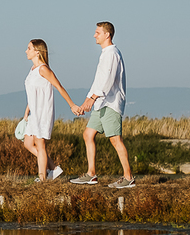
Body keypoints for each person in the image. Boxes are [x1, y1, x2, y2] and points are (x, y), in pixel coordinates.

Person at [70, 21, 134, 188]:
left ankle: (128, 178)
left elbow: (108, 81)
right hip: (100, 104)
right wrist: (87, 101)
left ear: (107, 35)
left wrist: (93, 98)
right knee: (88, 134)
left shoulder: (112, 53)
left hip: (111, 103)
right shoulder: (105, 54)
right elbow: (98, 81)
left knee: (115, 140)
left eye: (97, 32)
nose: (94, 35)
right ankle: (91, 174)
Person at [21, 39, 78, 181]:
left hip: (43, 112)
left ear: (37, 52)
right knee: (28, 143)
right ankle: (53, 168)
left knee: (40, 146)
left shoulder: (43, 69)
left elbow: (59, 87)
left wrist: (72, 105)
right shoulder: (32, 70)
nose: (26, 51)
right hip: (34, 112)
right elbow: (32, 92)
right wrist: (27, 111)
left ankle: (43, 179)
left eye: (29, 48)